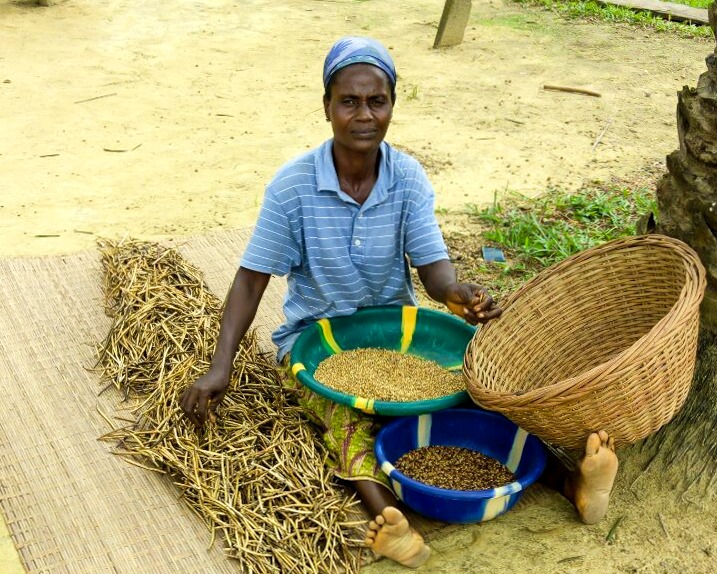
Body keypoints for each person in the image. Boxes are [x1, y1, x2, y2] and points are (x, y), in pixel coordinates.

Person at [181, 36, 619, 569]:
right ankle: (394, 525)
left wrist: (456, 292)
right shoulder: (292, 187)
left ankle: (572, 482)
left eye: (377, 101)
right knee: (344, 421)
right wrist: (219, 367)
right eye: (349, 101)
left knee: (477, 395)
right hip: (316, 345)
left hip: (399, 335)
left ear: (392, 105)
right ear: (327, 107)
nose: (364, 115)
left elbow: (433, 269)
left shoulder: (406, 176)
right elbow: (251, 281)